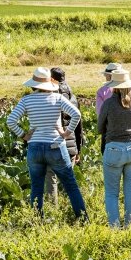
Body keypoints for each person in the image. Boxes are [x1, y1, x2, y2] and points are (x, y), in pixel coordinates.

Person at [7, 67, 87, 219]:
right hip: (55, 145)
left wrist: (24, 135)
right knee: (70, 185)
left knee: (36, 187)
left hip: (35, 147)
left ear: (34, 84)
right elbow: (76, 114)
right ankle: (82, 218)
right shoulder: (57, 98)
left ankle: (37, 220)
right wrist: (67, 133)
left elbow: (11, 121)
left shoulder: (27, 100)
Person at [98, 68, 131, 228]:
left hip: (114, 149)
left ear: (114, 86)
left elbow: (99, 127)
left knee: (112, 193)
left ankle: (114, 227)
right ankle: (130, 227)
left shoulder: (109, 103)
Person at [43, 67, 84, 202]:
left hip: (54, 143)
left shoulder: (51, 97)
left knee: (51, 178)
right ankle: (71, 205)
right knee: (68, 179)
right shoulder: (73, 97)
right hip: (71, 145)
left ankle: (52, 209)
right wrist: (78, 148)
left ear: (52, 79)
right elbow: (79, 126)